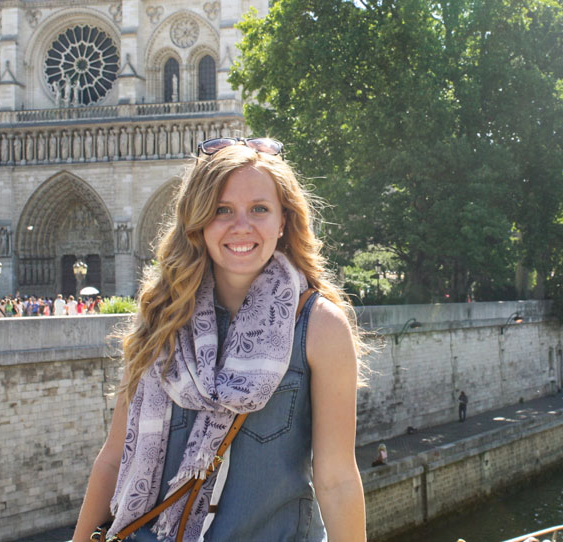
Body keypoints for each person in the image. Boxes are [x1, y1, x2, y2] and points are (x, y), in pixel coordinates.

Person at [72, 138, 367, 541]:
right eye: (221, 210)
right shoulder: (161, 319)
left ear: (283, 221)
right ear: (198, 222)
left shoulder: (319, 328)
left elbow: (337, 480)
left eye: (259, 209)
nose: (241, 226)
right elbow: (113, 459)